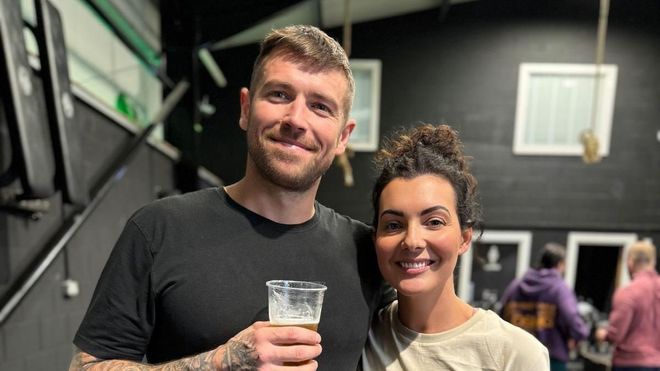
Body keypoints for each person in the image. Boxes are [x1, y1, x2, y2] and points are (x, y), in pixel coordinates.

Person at [69, 25, 387, 370]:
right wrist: (223, 363)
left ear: (343, 136)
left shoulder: (367, 252)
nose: (296, 119)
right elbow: (87, 367)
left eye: (320, 106)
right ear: (246, 108)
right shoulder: (159, 229)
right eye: (280, 94)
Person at [362, 124, 549, 371]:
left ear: (464, 238)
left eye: (434, 222)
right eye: (394, 225)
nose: (412, 241)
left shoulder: (516, 355)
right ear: (376, 238)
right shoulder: (360, 335)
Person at [499, 242, 588, 371]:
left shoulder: (516, 285)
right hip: (551, 358)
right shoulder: (559, 288)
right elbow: (571, 317)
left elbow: (501, 314)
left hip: (517, 355)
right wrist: (579, 335)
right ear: (560, 264)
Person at [595, 240, 660, 371]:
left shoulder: (628, 292)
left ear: (630, 262)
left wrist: (602, 334)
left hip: (630, 364)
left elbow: (616, 334)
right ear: (652, 262)